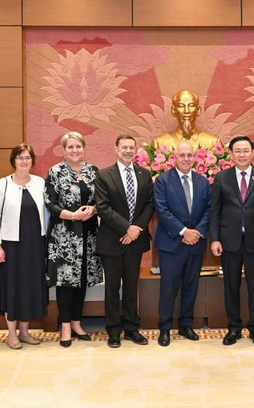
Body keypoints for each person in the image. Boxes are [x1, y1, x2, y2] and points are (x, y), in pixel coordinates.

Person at [209, 135, 254, 347]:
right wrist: (215, 239)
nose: (241, 154)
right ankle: (234, 327)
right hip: (229, 242)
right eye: (237, 151)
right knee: (231, 286)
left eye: (245, 150)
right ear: (231, 154)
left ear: (252, 153)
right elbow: (215, 211)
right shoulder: (221, 178)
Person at [95, 134, 154, 348]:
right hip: (112, 239)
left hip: (135, 239)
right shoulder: (103, 175)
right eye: (124, 147)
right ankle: (113, 330)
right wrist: (126, 227)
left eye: (131, 147)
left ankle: (131, 328)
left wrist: (136, 229)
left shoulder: (145, 175)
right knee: (112, 287)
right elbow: (102, 207)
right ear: (116, 149)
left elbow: (150, 204)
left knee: (131, 286)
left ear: (136, 150)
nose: (128, 150)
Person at [45, 132, 103, 348]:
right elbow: (50, 203)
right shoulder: (55, 172)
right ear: (63, 150)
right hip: (64, 236)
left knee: (82, 280)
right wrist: (73, 215)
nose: (75, 150)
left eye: (78, 146)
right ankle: (66, 326)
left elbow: (102, 199)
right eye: (70, 147)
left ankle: (77, 323)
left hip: (88, 234)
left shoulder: (93, 171)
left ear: (84, 148)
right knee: (66, 282)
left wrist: (94, 208)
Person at [0, 143, 48, 349]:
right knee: (12, 288)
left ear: (33, 161)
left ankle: (25, 331)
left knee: (30, 287)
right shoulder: (2, 185)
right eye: (20, 157)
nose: (24, 161)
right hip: (11, 246)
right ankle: (11, 334)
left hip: (34, 245)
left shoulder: (40, 183)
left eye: (28, 158)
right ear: (13, 160)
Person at [153, 141, 211, 347]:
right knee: (168, 288)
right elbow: (162, 210)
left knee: (191, 286)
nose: (186, 159)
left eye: (189, 155)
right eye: (182, 155)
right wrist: (184, 231)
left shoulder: (203, 182)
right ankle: (165, 328)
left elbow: (208, 210)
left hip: (195, 244)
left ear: (194, 158)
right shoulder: (162, 181)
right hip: (171, 244)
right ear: (174, 158)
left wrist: (198, 232)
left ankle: (186, 325)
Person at [152, 90, 220, 151]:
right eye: (181, 106)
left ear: (198, 110)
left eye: (191, 106)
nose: (186, 111)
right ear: (173, 110)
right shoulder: (159, 143)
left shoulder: (213, 143)